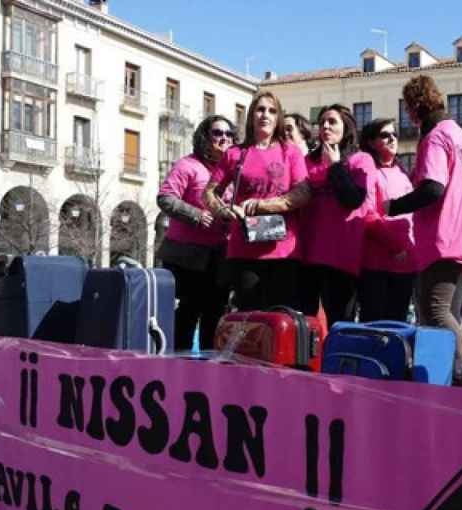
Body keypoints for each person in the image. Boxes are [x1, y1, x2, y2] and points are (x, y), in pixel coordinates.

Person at [386, 75, 462, 380]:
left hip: (443, 239)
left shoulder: (435, 137)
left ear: (414, 110)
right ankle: (452, 376)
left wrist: (394, 207)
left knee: (436, 312)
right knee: (450, 313)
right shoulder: (459, 134)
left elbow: (433, 188)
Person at [202, 91, 309, 311]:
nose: (265, 115)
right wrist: (223, 210)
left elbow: (303, 193)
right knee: (249, 321)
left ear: (278, 118)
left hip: (284, 251)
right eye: (260, 109)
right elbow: (209, 193)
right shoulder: (234, 154)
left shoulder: (291, 152)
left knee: (281, 322)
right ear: (251, 115)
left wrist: (263, 205)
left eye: (272, 111)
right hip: (244, 249)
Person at [157, 115, 235, 351]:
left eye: (228, 134)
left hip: (219, 259)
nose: (224, 138)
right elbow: (165, 198)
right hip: (186, 259)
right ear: (205, 136)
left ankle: (208, 374)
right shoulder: (187, 165)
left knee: (215, 318)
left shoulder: (232, 172)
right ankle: (179, 371)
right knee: (186, 318)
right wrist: (196, 215)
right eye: (217, 133)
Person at [297, 104, 373, 326]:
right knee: (305, 324)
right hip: (307, 253)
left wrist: (335, 166)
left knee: (340, 323)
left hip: (340, 256)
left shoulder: (360, 160)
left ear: (346, 127)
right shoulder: (307, 161)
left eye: (332, 122)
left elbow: (353, 200)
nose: (325, 127)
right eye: (322, 123)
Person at [356, 118, 417, 322]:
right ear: (371, 142)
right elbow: (369, 214)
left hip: (406, 265)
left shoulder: (403, 173)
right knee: (374, 324)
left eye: (394, 134)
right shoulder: (368, 170)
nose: (392, 138)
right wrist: (395, 246)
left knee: (398, 325)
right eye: (385, 135)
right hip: (377, 264)